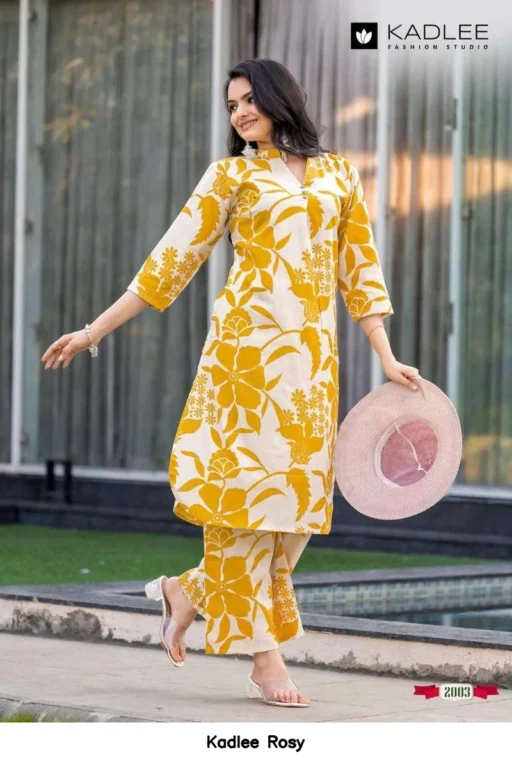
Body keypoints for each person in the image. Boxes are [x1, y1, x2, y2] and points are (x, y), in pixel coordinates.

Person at [41, 58, 419, 708]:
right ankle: (266, 661)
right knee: (242, 511)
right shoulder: (231, 177)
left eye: (248, 99)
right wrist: (92, 331)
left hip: (309, 370)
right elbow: (169, 262)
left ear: (279, 98)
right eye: (232, 105)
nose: (240, 112)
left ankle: (185, 591)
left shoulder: (337, 175)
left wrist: (385, 355)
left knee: (293, 518)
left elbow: (360, 270)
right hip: (242, 366)